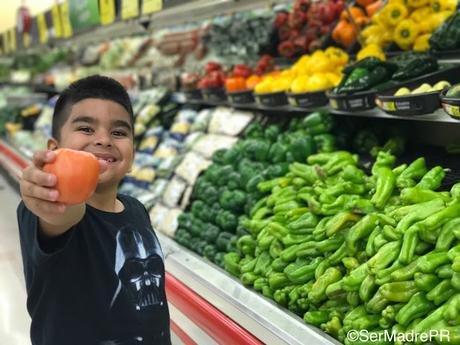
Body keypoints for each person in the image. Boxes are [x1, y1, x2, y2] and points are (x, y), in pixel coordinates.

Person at [17, 75, 171, 345]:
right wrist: (52, 192)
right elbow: (63, 213)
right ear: (54, 149)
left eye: (119, 132)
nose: (103, 140)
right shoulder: (48, 210)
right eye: (86, 129)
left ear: (132, 155)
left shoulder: (136, 209)